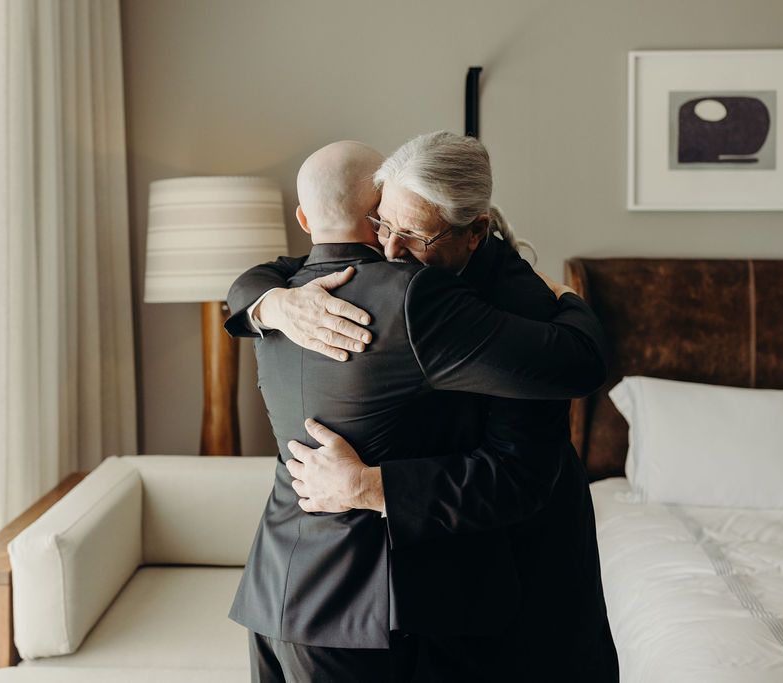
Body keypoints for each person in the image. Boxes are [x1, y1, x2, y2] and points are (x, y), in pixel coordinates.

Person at [226, 135, 618, 682]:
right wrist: (271, 303)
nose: (387, 252)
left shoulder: (517, 305)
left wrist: (369, 487)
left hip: (518, 573)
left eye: (413, 236)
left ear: (475, 232)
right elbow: (282, 267)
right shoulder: (326, 286)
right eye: (383, 225)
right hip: (348, 596)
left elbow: (524, 471)